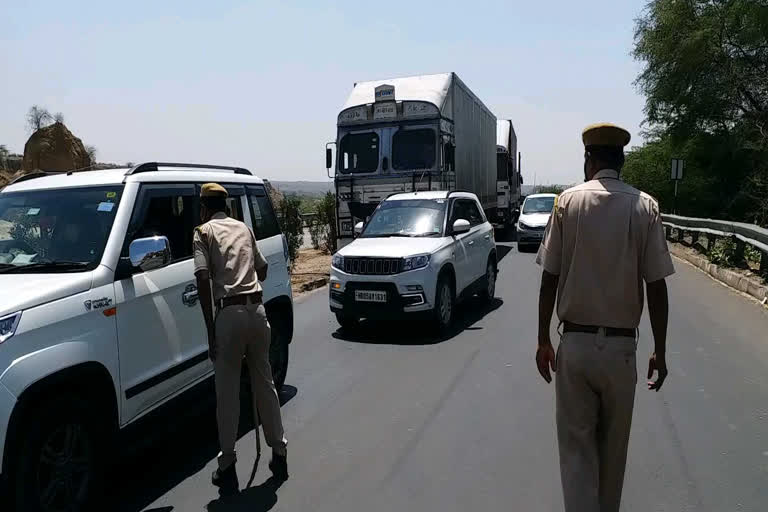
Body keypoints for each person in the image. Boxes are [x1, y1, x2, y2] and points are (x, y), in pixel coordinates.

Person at [535, 123, 674, 512]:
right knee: (614, 456)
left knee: (577, 454)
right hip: (621, 352)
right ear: (622, 160)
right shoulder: (645, 207)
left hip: (575, 349)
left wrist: (544, 339)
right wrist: (659, 352)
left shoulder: (566, 203)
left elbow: (550, 277)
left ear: (588, 159)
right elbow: (657, 286)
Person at [193, 183, 288, 492]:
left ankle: (228, 463)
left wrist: (210, 330)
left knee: (228, 393)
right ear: (228, 207)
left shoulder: (202, 232)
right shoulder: (244, 229)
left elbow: (202, 278)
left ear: (204, 208)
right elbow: (261, 271)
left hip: (229, 315)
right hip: (257, 312)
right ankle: (279, 452)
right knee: (265, 384)